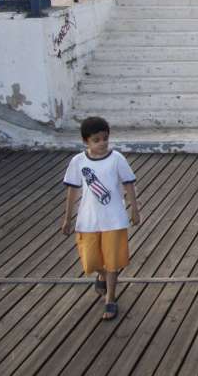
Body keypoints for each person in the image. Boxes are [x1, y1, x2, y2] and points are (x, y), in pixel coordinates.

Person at [61, 116, 140, 321]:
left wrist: (134, 209)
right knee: (90, 261)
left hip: (114, 219)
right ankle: (102, 274)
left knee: (113, 261)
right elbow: (72, 191)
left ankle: (110, 298)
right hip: (88, 220)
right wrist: (67, 218)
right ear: (86, 141)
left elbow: (128, 184)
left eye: (105, 138)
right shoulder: (78, 162)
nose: (102, 143)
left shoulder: (117, 159)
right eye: (96, 140)